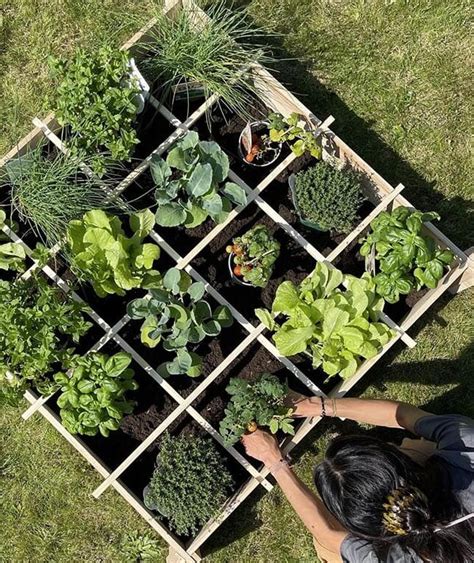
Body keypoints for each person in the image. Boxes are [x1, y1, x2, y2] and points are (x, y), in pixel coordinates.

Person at [241, 395, 474, 563]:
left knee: (327, 549)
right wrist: (319, 405)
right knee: (420, 447)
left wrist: (273, 461)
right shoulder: (466, 445)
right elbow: (404, 415)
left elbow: (328, 534)